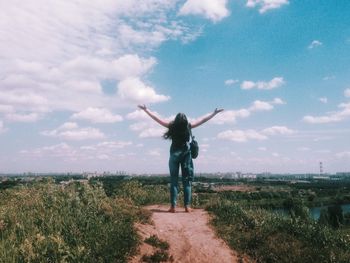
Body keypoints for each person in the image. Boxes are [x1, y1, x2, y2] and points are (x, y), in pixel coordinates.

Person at [138, 105, 224, 213]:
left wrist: (146, 110)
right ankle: (187, 207)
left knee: (174, 181)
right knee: (186, 182)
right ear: (185, 121)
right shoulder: (188, 126)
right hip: (186, 155)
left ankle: (173, 207)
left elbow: (156, 119)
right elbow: (203, 120)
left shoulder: (171, 126)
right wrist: (214, 113)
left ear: (176, 120)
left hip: (174, 155)